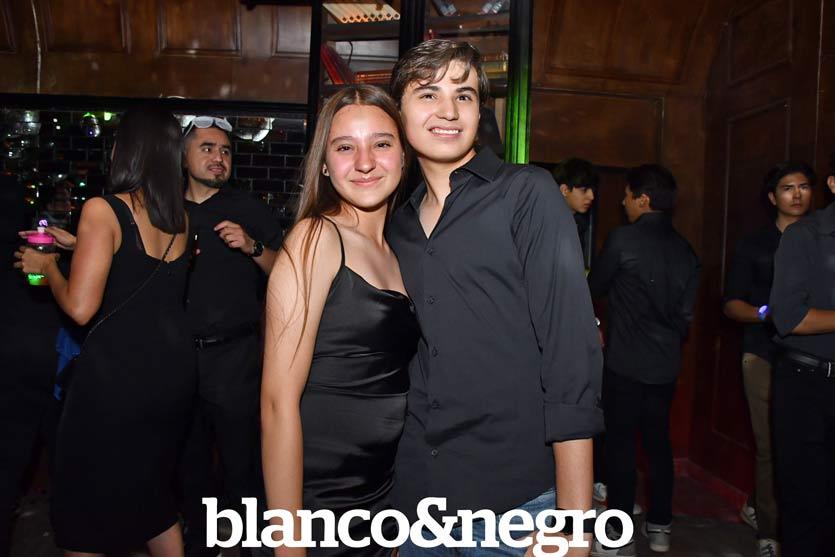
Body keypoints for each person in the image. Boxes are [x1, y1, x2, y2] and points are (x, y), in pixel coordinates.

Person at [386, 40, 603, 556]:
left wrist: (574, 523)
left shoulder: (526, 193)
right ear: (398, 111)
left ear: (480, 111)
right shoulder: (396, 226)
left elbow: (571, 356)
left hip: (514, 503)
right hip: (418, 500)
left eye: (463, 95)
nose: (448, 110)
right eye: (428, 94)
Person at [13, 106, 195, 556]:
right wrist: (81, 244)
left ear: (126, 149)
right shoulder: (180, 218)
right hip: (171, 376)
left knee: (82, 506)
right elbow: (140, 267)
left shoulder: (102, 208)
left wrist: (47, 267)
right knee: (152, 496)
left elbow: (79, 309)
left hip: (116, 380)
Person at [261, 84, 418, 556]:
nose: (365, 162)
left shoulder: (401, 249)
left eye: (381, 143)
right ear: (325, 164)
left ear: (403, 155)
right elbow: (277, 404)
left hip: (380, 500)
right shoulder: (315, 239)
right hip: (320, 504)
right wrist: (289, 546)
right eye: (345, 147)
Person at [178, 116, 283, 557]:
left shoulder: (247, 209)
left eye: (224, 150)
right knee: (190, 463)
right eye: (207, 148)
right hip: (178, 358)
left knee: (243, 463)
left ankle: (251, 545)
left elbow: (286, 272)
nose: (218, 157)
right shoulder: (166, 210)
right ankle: (201, 542)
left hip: (235, 358)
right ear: (183, 155)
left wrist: (252, 246)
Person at [587, 164, 700, 556]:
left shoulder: (623, 239)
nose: (623, 202)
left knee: (619, 446)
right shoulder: (686, 250)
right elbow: (686, 316)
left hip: (625, 363)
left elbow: (594, 287)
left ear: (643, 199)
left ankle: (618, 536)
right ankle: (660, 527)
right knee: (658, 443)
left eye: (627, 195)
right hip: (665, 365)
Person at [723, 161, 814, 556]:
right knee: (770, 446)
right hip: (763, 354)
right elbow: (731, 303)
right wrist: (767, 314)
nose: (797, 194)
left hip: (812, 358)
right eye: (788, 188)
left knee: (808, 447)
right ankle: (770, 533)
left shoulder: (820, 239)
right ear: (773, 197)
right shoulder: (756, 244)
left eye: (803, 186)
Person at [768, 154, 835, 557]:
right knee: (806, 505)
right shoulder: (805, 236)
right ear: (833, 184)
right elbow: (788, 317)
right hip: (807, 385)